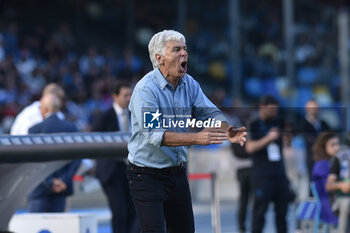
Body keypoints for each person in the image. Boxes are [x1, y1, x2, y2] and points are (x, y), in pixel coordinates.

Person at [127, 29, 247, 233]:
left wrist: (225, 130)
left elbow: (212, 114)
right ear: (160, 59)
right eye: (176, 50)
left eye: (185, 49)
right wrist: (197, 138)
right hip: (146, 175)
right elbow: (157, 135)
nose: (184, 53)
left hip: (177, 173)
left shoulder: (189, 84)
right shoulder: (146, 90)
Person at [92, 81, 139, 233]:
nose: (129, 98)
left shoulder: (136, 114)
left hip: (132, 170)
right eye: (125, 95)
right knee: (120, 212)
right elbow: (92, 142)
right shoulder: (104, 117)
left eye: (131, 94)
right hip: (112, 171)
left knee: (134, 212)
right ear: (114, 96)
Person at [27, 93, 81, 212]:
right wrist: (63, 180)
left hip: (39, 189)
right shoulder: (71, 128)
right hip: (62, 189)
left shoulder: (34, 130)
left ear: (44, 109)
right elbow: (77, 158)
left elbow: (33, 161)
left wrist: (49, 181)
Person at [245, 95, 290, 233]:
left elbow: (286, 144)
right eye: (271, 110)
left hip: (279, 173)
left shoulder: (277, 122)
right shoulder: (253, 123)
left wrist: (286, 137)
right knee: (259, 212)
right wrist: (269, 138)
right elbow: (250, 147)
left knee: (282, 212)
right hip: (262, 175)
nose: (274, 113)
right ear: (262, 108)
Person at [311, 132, 339, 226]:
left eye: (337, 144)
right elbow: (328, 187)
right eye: (332, 145)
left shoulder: (331, 162)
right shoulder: (323, 164)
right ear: (324, 147)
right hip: (328, 204)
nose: (337, 148)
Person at [301, 100, 329, 188]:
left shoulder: (323, 123)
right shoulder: (303, 124)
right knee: (313, 181)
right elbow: (308, 139)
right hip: (312, 157)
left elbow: (329, 136)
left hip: (323, 156)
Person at [326, 135, 350, 232]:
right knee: (347, 203)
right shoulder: (341, 158)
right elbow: (329, 185)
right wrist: (341, 185)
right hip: (342, 199)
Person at [231, 143, 252, 233]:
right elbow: (237, 152)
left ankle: (252, 226)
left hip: (253, 169)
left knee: (256, 199)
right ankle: (242, 226)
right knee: (244, 199)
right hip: (242, 170)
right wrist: (251, 149)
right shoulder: (236, 133)